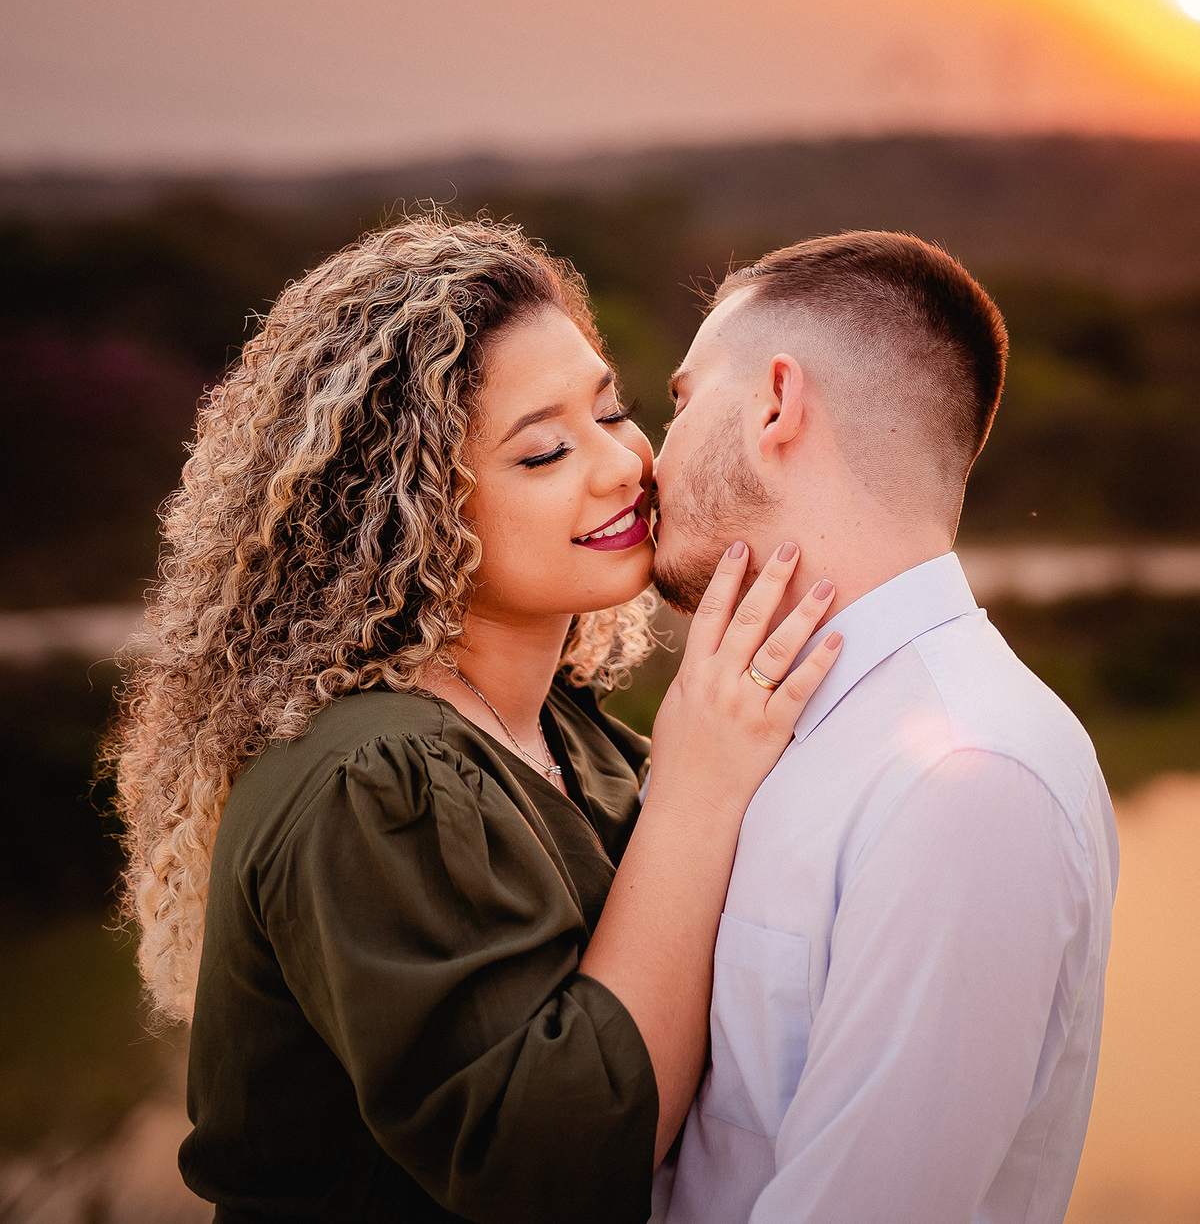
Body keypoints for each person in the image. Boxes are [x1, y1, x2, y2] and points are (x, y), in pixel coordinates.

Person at [108, 213, 843, 1224]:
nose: (623, 465)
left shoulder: (568, 734)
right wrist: (700, 790)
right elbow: (553, 1171)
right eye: (543, 452)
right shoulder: (370, 781)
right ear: (406, 512)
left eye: (612, 410)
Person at [651, 230, 1119, 1224]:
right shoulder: (738, 729)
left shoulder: (975, 775)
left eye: (682, 402)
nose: (653, 454)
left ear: (776, 403)